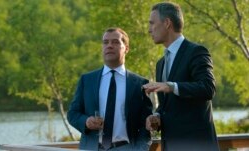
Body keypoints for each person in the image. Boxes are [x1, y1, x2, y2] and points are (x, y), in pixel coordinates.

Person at [143, 2, 219, 151]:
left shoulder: (196, 52)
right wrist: (157, 116)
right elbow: (168, 105)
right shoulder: (161, 63)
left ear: (167, 23)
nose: (149, 29)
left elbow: (208, 88)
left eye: (152, 23)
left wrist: (171, 86)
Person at [67, 27, 152, 151]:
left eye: (115, 42)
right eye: (105, 42)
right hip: (91, 148)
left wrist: (140, 149)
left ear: (126, 48)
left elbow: (146, 124)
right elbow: (73, 114)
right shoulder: (87, 80)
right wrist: (86, 122)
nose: (109, 46)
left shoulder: (139, 83)